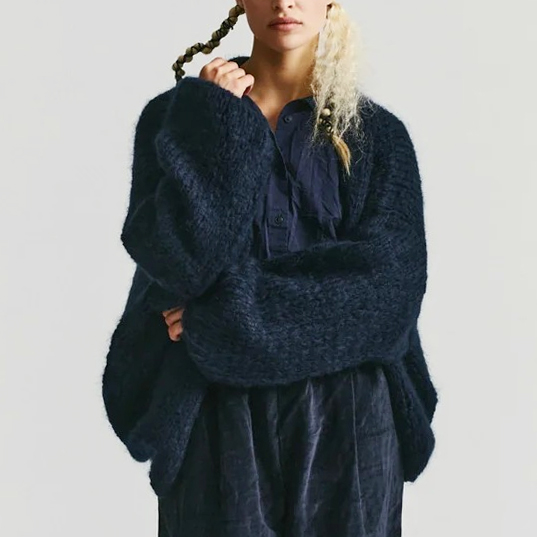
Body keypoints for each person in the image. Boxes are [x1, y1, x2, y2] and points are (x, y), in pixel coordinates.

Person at [154, 1, 406, 536]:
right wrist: (214, 127)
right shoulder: (179, 120)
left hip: (348, 408)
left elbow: (388, 292)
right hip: (216, 405)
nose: (285, 3)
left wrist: (224, 318)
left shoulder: (377, 135)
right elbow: (174, 261)